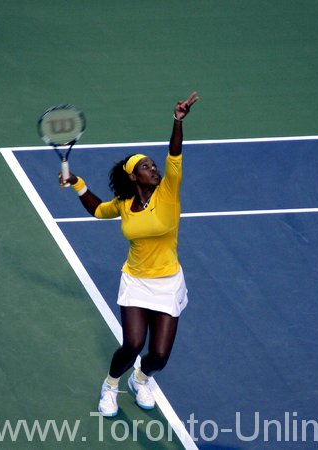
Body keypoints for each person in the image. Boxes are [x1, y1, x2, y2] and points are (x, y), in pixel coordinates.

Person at [60, 92, 199, 417]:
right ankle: (110, 385)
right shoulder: (124, 205)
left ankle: (141, 378)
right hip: (136, 281)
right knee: (133, 344)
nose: (154, 168)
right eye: (146, 167)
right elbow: (97, 210)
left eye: (153, 164)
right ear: (133, 176)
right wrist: (78, 183)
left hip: (167, 282)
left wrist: (177, 121)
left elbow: (174, 154)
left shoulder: (169, 191)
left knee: (159, 356)